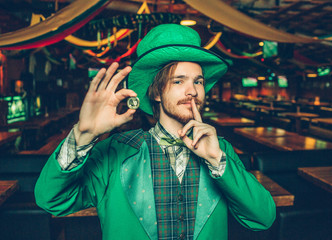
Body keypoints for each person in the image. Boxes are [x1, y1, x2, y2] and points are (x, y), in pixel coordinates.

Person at [35, 24, 275, 240]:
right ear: (157, 93)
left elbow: (263, 218)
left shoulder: (220, 150)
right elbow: (51, 200)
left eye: (198, 81)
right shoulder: (117, 151)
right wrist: (83, 136)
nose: (192, 90)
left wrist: (217, 160)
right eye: (179, 81)